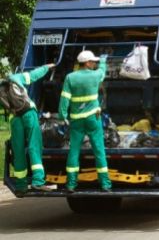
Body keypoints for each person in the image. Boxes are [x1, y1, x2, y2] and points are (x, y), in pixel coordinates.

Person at [58, 50, 112, 192]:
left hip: (76, 121)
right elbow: (102, 71)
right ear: (87, 63)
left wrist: (62, 115)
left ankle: (71, 184)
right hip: (93, 119)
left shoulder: (70, 77)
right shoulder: (95, 76)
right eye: (93, 61)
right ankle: (105, 184)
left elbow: (64, 98)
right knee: (99, 150)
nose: (94, 63)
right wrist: (103, 61)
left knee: (74, 151)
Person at [9, 63, 56, 195]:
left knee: (18, 150)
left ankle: (21, 186)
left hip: (15, 118)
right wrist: (47, 67)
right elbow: (33, 75)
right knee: (34, 146)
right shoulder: (15, 78)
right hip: (28, 113)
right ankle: (38, 182)